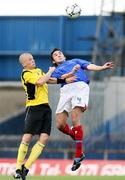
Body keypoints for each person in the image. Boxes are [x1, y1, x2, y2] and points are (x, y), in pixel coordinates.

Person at [13, 52, 76, 180]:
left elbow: (49, 80)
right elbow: (41, 82)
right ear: (24, 64)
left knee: (44, 138)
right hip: (34, 107)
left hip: (45, 107)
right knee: (27, 137)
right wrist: (50, 71)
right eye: (30, 60)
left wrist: (65, 79)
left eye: (32, 58)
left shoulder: (38, 70)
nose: (33, 60)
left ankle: (26, 167)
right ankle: (18, 168)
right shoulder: (26, 74)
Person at [50, 48, 113, 171]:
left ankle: (78, 154)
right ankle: (77, 136)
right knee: (60, 125)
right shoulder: (54, 71)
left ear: (64, 55)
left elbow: (89, 66)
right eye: (56, 55)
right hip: (65, 90)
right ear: (53, 61)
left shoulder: (75, 61)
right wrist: (67, 76)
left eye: (60, 53)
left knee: (75, 118)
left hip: (80, 86)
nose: (59, 55)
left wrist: (101, 67)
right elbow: (57, 78)